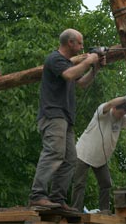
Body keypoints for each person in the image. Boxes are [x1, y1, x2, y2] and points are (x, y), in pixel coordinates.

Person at [29, 28, 106, 211]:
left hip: (66, 118)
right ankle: (37, 195)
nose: (82, 47)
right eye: (79, 43)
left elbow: (81, 82)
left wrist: (95, 68)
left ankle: (57, 198)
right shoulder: (55, 58)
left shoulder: (66, 63)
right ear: (70, 43)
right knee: (53, 153)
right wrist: (89, 60)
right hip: (53, 114)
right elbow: (70, 75)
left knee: (70, 159)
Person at [71, 92, 126, 214]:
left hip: (100, 158)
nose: (121, 116)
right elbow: (109, 103)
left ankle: (104, 210)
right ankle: (76, 210)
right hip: (83, 153)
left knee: (106, 184)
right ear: (114, 108)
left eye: (124, 114)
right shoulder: (103, 113)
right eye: (120, 113)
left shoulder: (121, 119)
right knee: (79, 183)